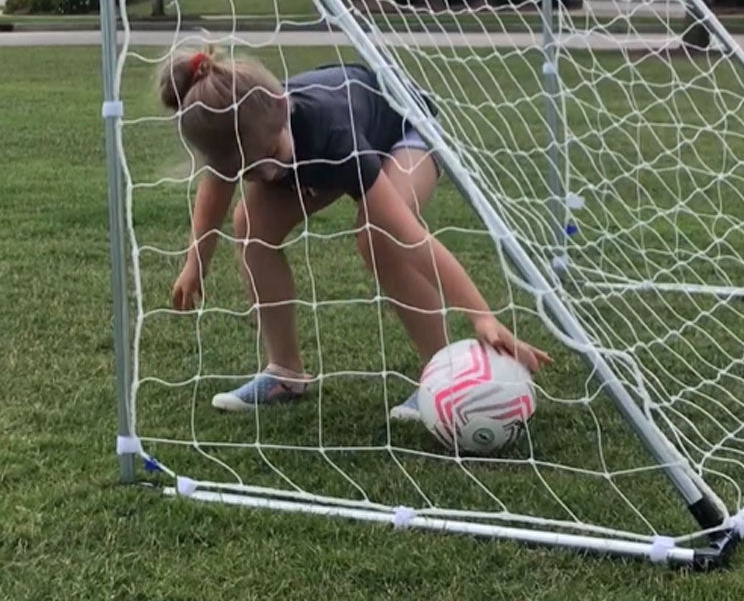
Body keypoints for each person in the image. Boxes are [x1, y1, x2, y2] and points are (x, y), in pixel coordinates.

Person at [160, 48, 550, 416]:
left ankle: (441, 375)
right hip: (328, 153)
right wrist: (196, 263)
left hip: (402, 127)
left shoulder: (328, 128)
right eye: (250, 171)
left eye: (270, 157)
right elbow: (216, 195)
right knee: (251, 225)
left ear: (282, 107)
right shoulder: (239, 130)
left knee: (379, 234)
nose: (268, 176)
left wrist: (481, 315)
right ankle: (285, 373)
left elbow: (410, 238)